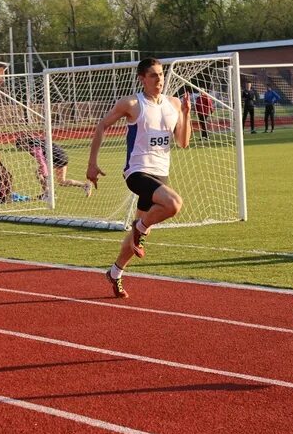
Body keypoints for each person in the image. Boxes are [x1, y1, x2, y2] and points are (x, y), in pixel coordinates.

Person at [87, 57, 191, 298]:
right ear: (142, 78)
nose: (159, 79)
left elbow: (183, 142)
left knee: (138, 237)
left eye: (162, 74)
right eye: (153, 75)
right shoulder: (133, 103)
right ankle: (139, 228)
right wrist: (92, 164)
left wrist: (186, 114)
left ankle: (115, 272)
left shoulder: (174, 104)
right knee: (174, 204)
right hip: (137, 172)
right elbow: (101, 126)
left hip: (160, 175)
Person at [15, 135, 92, 200]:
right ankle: (85, 185)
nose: (23, 149)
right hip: (63, 156)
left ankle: (49, 194)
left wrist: (46, 175)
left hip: (56, 158)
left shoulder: (35, 148)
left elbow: (42, 163)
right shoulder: (38, 141)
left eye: (21, 147)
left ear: (24, 143)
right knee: (62, 181)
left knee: (39, 173)